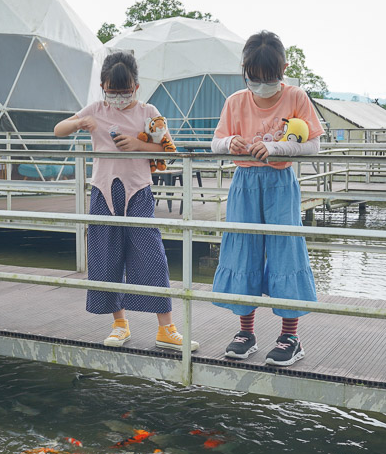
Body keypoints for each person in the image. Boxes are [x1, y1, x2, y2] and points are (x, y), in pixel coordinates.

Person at [54, 50, 198, 352]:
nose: (118, 98)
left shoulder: (148, 112)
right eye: (112, 92)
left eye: (125, 92)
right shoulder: (96, 108)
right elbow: (58, 130)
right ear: (104, 87)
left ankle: (166, 329)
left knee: (152, 256)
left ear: (136, 86)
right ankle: (119, 324)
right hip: (104, 193)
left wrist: (137, 144)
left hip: (138, 192)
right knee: (106, 258)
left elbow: (168, 150)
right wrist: (83, 122)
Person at [210, 31, 323, 366]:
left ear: (283, 69)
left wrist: (275, 148)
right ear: (245, 70)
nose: (261, 85)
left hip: (280, 182)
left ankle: (290, 335)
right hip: (244, 181)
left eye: (269, 78)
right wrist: (230, 143)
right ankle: (246, 332)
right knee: (243, 249)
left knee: (285, 250)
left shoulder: (297, 97)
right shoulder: (235, 101)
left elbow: (313, 145)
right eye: (254, 79)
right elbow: (215, 142)